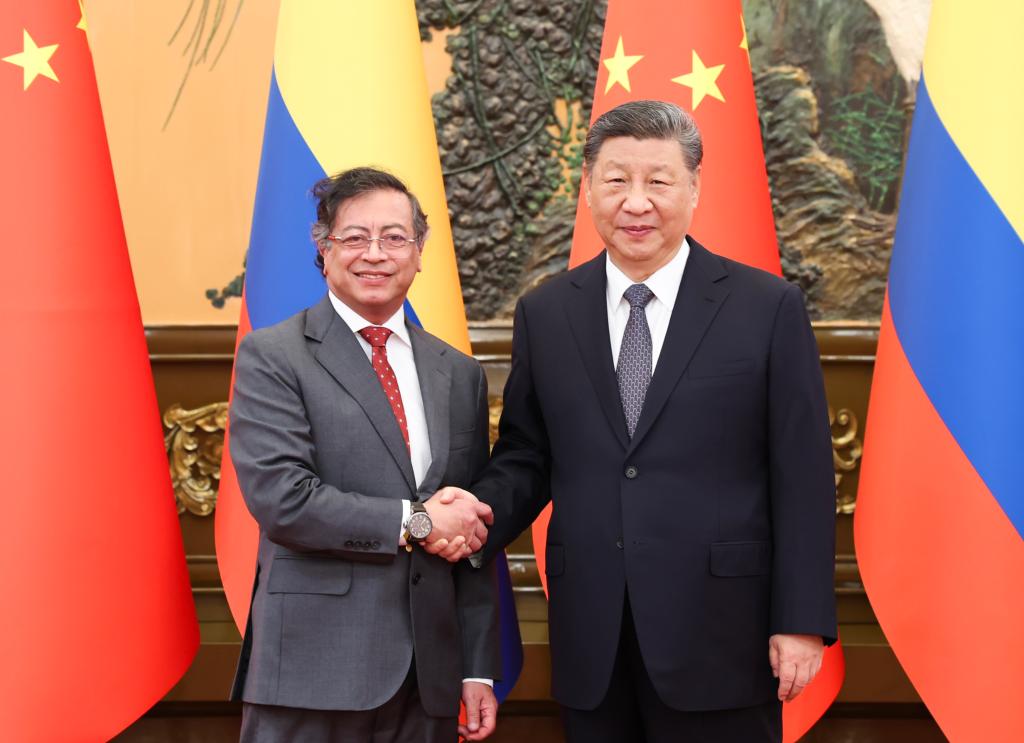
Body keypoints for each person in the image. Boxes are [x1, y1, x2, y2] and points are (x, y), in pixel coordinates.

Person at [442, 100, 837, 742]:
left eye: (658, 181)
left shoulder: (766, 307)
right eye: (617, 180)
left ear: (694, 188)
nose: (636, 202)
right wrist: (473, 515)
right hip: (592, 635)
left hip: (723, 634)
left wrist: (801, 619)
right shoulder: (547, 313)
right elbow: (527, 455)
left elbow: (803, 474)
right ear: (588, 188)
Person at [228, 167, 501, 742]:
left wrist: (476, 667)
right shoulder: (273, 356)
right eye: (354, 237)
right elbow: (283, 500)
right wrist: (417, 521)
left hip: (428, 681)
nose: (375, 253)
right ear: (324, 250)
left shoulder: (459, 374)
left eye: (394, 237)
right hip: (312, 672)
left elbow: (470, 525)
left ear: (419, 252)